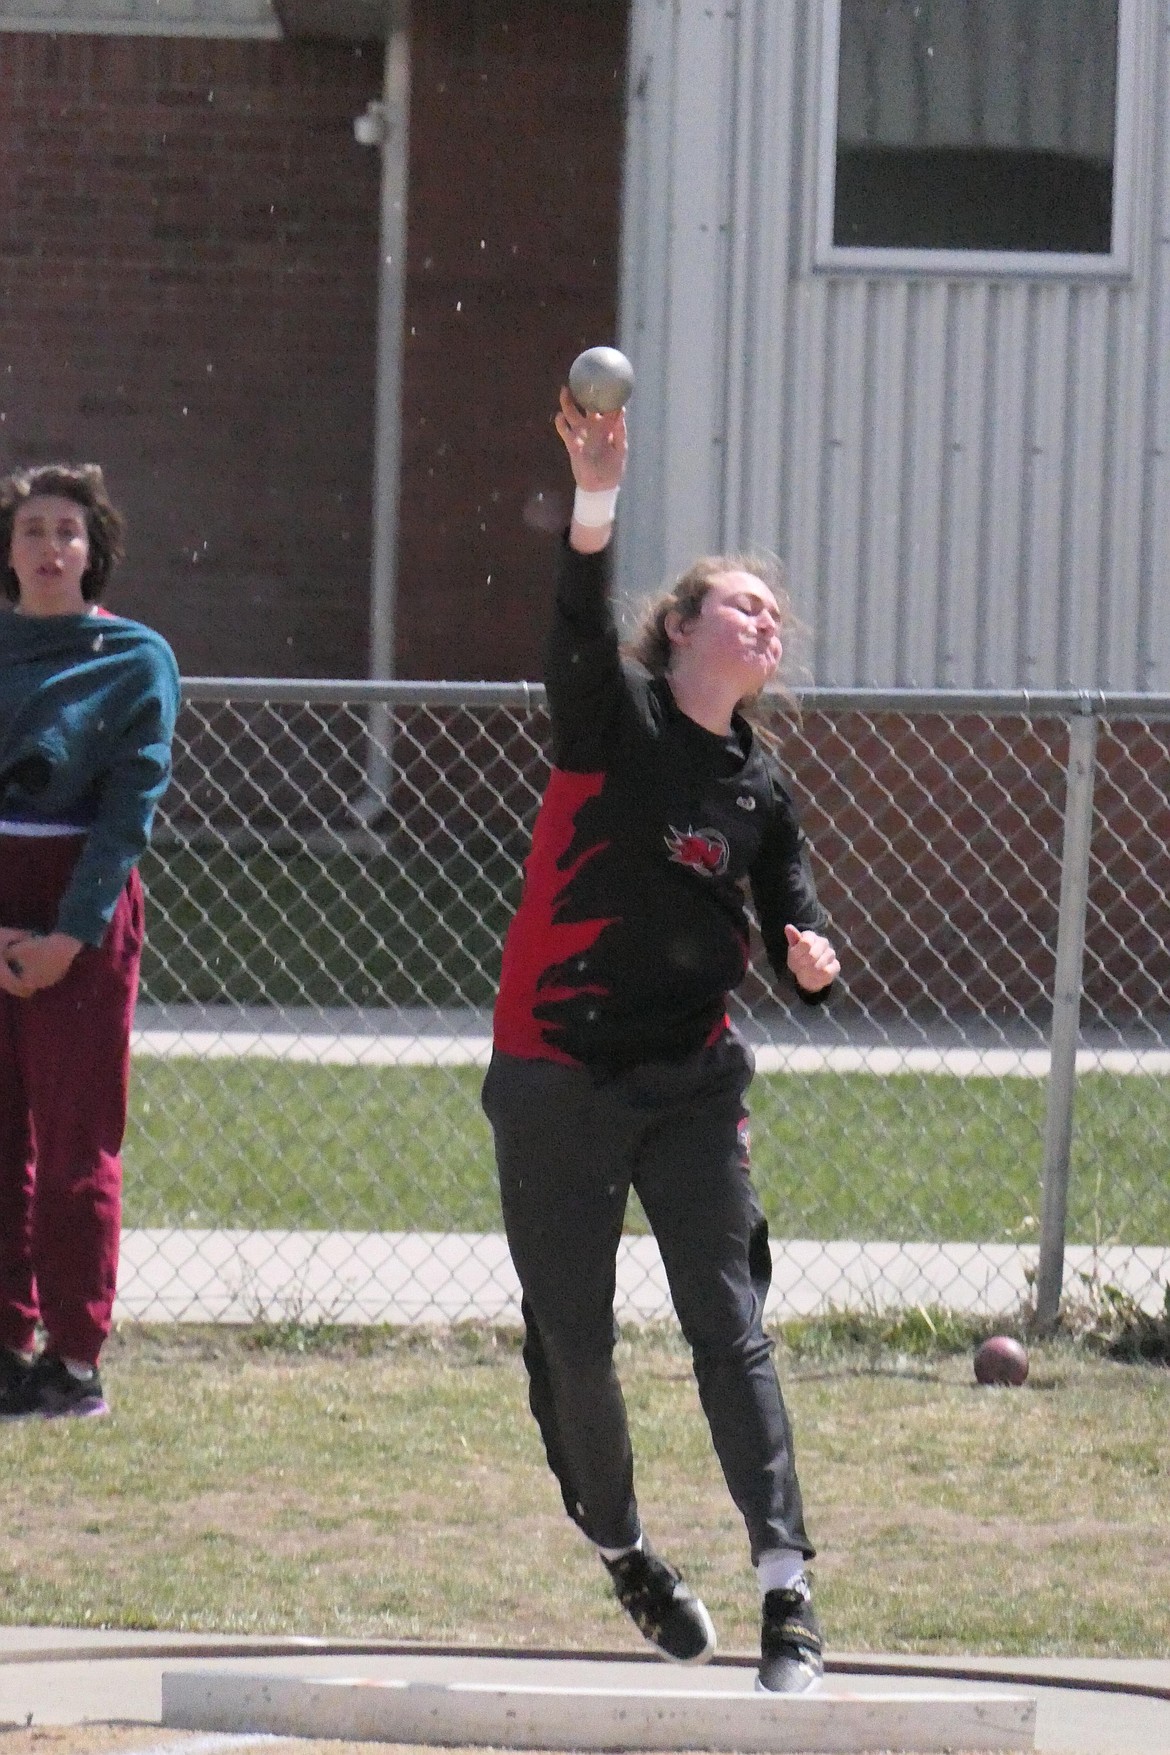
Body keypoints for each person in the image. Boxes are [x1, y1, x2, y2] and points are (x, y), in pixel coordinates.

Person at [481, 388, 840, 1693]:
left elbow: (795, 921)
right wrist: (592, 495)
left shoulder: (759, 785)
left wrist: (810, 958)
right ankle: (625, 1546)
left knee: (728, 1325)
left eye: (774, 615)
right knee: (571, 1338)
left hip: (691, 1079)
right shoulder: (612, 720)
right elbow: (574, 622)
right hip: (557, 1071)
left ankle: (785, 1591)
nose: (767, 621)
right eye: (741, 603)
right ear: (682, 625)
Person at [0, 465, 179, 1420]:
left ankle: (71, 1360)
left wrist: (68, 935)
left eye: (67, 530)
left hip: (83, 907)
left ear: (92, 548)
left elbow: (128, 809)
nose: (49, 547)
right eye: (31, 528)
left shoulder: (134, 656)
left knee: (74, 1145)